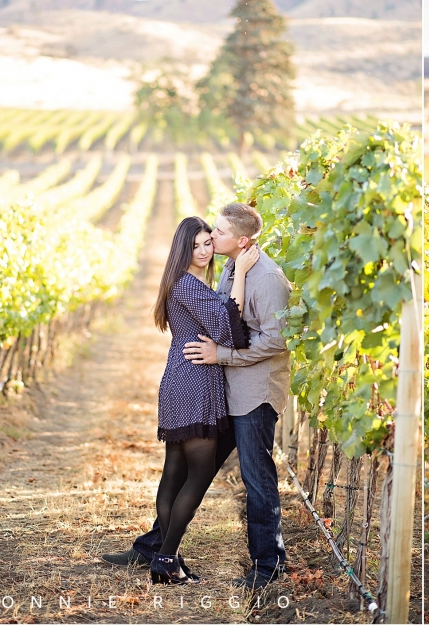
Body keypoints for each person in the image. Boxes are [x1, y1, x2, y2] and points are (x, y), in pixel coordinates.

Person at [102, 203, 292, 590]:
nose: (210, 243)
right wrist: (220, 349)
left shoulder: (268, 278)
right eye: (203, 240)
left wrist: (222, 354)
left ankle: (266, 567)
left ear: (240, 240)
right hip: (210, 389)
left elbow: (273, 339)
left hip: (251, 394)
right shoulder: (224, 269)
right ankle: (159, 551)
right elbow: (223, 321)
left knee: (253, 478)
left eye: (216, 235)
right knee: (190, 471)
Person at [147, 216, 257, 584]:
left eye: (207, 242)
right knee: (196, 474)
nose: (204, 250)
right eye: (195, 246)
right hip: (194, 381)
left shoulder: (186, 283)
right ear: (183, 250)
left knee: (175, 472)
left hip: (180, 378)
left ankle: (168, 557)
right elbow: (228, 327)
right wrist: (240, 272)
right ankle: (165, 558)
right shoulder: (188, 285)